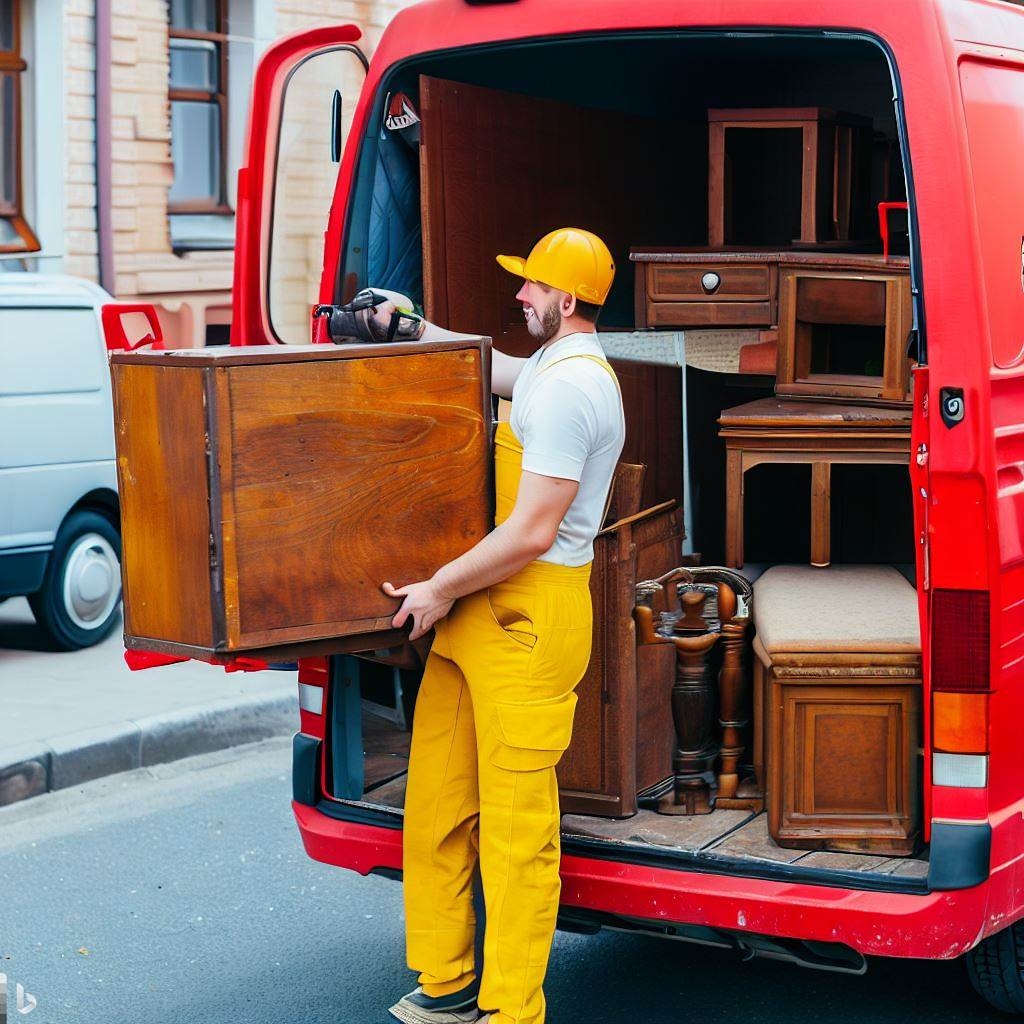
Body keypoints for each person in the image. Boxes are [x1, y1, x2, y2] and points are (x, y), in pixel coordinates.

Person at [373, 228, 625, 1024]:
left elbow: (530, 532)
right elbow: (496, 366)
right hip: (481, 611)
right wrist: (411, 327)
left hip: (528, 613)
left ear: (568, 300)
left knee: (518, 834)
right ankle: (446, 980)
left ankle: (512, 1010)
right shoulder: (551, 366)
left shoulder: (573, 390)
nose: (519, 294)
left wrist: (438, 588)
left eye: (532, 286)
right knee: (439, 802)